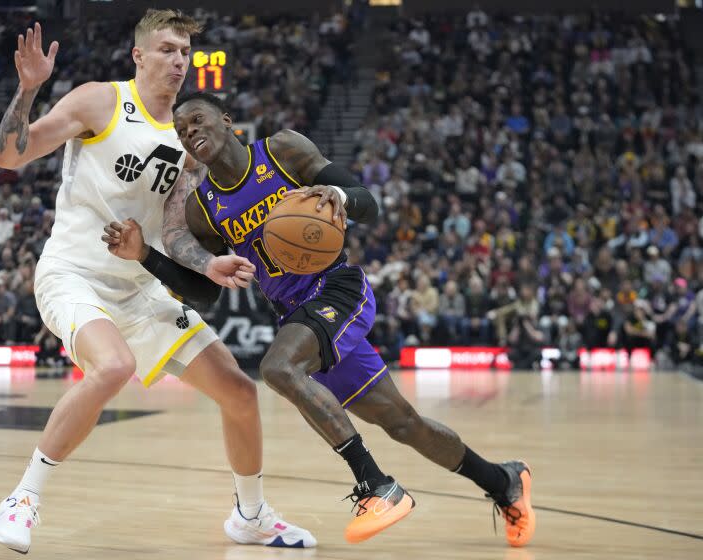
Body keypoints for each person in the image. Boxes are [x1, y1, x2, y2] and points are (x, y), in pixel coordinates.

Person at [105, 92, 536, 547]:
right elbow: (207, 293)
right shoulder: (204, 206)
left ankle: (378, 485)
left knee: (276, 368)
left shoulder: (282, 151)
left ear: (226, 121)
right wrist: (147, 257)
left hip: (337, 289)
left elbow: (368, 201)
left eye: (197, 120)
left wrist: (342, 196)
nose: (190, 132)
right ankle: (503, 480)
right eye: (181, 130)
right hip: (297, 314)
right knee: (403, 422)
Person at [0, 13, 313, 553]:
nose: (178, 61)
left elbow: (175, 229)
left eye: (184, 51)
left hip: (140, 286)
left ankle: (250, 515)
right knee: (114, 366)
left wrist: (206, 265)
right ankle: (23, 498)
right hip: (74, 275)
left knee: (239, 391)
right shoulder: (99, 101)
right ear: (138, 55)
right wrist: (28, 91)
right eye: (166, 49)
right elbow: (9, 154)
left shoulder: (189, 138)